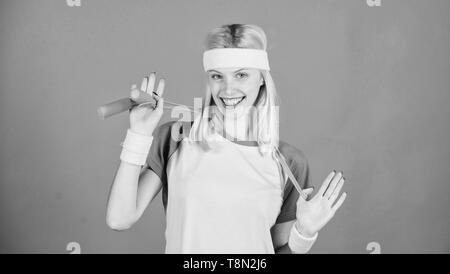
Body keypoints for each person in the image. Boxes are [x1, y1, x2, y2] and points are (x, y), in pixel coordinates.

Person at [106, 24, 347, 254]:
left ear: (261, 78)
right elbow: (119, 218)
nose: (228, 90)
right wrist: (139, 134)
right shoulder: (175, 139)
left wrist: (303, 234)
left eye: (241, 75)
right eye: (217, 76)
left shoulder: (289, 162)